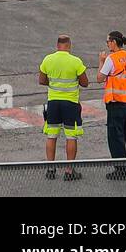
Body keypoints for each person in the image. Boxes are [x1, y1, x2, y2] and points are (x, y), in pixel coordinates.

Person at [39, 34, 89, 179]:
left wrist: (54, 85)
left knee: (51, 135)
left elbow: (42, 80)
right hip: (71, 104)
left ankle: (50, 169)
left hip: (53, 103)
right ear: (69, 45)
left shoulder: (48, 59)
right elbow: (85, 83)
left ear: (57, 45)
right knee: (71, 136)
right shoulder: (76, 61)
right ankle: (69, 171)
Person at [99, 30, 126, 177]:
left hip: (115, 103)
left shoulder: (111, 59)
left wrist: (101, 61)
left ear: (114, 42)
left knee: (116, 137)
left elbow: (99, 78)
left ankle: (121, 170)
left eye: (108, 41)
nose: (107, 44)